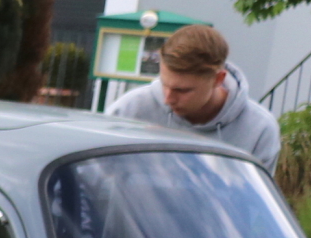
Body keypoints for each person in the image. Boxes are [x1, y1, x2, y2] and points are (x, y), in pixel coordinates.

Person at [110, 24, 281, 170]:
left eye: (182, 90)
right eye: (164, 84)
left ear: (218, 79)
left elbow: (251, 202)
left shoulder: (260, 129)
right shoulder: (128, 111)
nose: (167, 99)